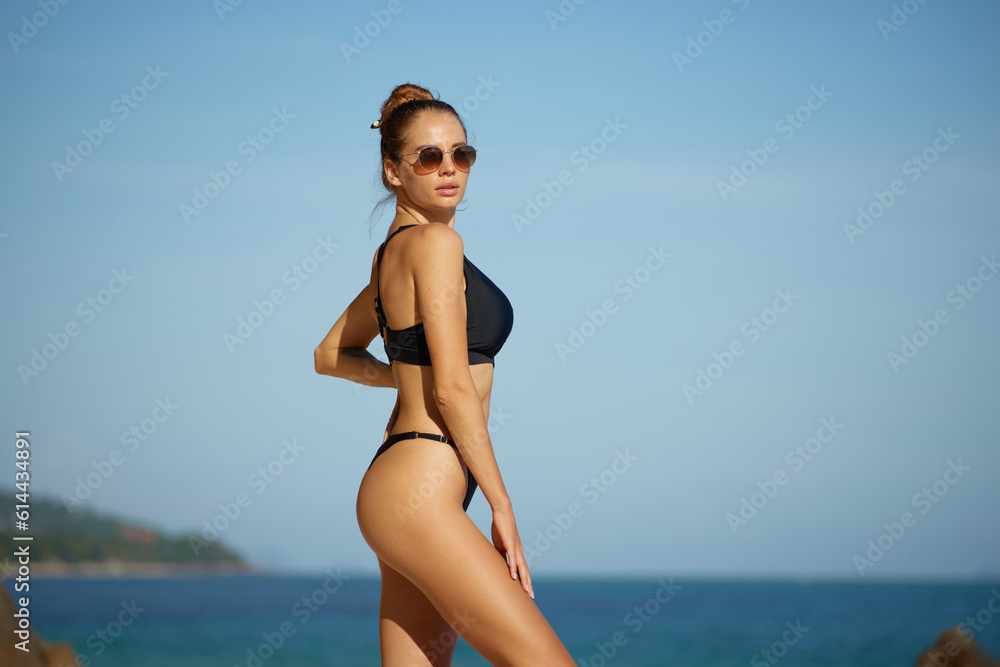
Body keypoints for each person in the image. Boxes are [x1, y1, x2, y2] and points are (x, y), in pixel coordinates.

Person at [314, 83, 576, 666]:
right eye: (428, 157)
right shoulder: (436, 243)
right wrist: (502, 509)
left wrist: (406, 384)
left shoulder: (391, 256)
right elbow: (455, 388)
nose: (449, 168)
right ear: (392, 172)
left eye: (462, 154)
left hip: (400, 486)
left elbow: (330, 355)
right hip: (422, 488)